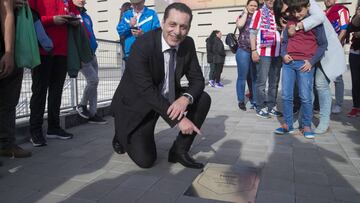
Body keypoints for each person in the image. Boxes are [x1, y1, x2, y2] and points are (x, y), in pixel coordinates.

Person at [111, 2, 211, 169]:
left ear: (189, 28)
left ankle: (179, 150)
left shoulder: (187, 44)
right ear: (163, 22)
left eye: (183, 27)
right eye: (172, 24)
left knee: (202, 99)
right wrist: (179, 119)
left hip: (165, 96)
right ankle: (121, 134)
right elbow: (146, 90)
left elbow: (198, 80)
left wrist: (185, 99)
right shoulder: (143, 44)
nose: (177, 32)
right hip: (137, 103)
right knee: (146, 161)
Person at [274, 0, 346, 134]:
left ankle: (323, 121)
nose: (289, 14)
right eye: (286, 13)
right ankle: (302, 121)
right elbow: (285, 40)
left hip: (324, 53)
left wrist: (297, 27)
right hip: (303, 57)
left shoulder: (307, 4)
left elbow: (319, 18)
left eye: (287, 11)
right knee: (306, 90)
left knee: (320, 85)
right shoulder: (294, 16)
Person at [28, 0, 80, 146]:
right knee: (39, 91)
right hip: (42, 49)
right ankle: (35, 130)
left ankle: (54, 127)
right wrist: (52, 20)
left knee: (57, 91)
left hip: (62, 49)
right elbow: (30, 17)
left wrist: (75, 20)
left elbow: (75, 13)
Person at [0, 0, 32, 159]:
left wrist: (9, 52)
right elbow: (7, 11)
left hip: (11, 42)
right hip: (8, 47)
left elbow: (7, 11)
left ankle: (7, 144)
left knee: (9, 100)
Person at [73, 0, 107, 124]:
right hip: (82, 54)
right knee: (93, 80)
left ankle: (93, 114)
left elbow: (91, 33)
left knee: (94, 84)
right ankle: (82, 104)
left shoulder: (87, 16)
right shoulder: (72, 14)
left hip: (92, 53)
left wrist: (94, 45)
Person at [249, 0, 283, 119]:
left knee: (274, 82)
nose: (271, 1)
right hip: (263, 53)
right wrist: (253, 51)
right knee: (261, 82)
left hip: (277, 53)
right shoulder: (259, 13)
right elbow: (252, 33)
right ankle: (260, 106)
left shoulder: (279, 13)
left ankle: (272, 106)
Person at [324, 0, 349, 114]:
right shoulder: (323, 13)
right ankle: (323, 103)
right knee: (323, 78)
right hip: (323, 49)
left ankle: (338, 104)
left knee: (337, 78)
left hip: (335, 49)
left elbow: (344, 30)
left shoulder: (341, 11)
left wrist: (336, 46)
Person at [235, 0, 259, 111]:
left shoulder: (260, 18)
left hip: (255, 51)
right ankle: (241, 100)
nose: (253, 7)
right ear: (247, 6)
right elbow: (240, 25)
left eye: (255, 6)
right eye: (251, 5)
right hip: (243, 50)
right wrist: (245, 13)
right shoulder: (242, 15)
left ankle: (254, 100)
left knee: (254, 77)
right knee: (242, 77)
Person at [347, 5, 360, 117]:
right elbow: (351, 28)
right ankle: (356, 107)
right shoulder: (357, 15)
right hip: (355, 52)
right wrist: (359, 14)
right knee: (356, 81)